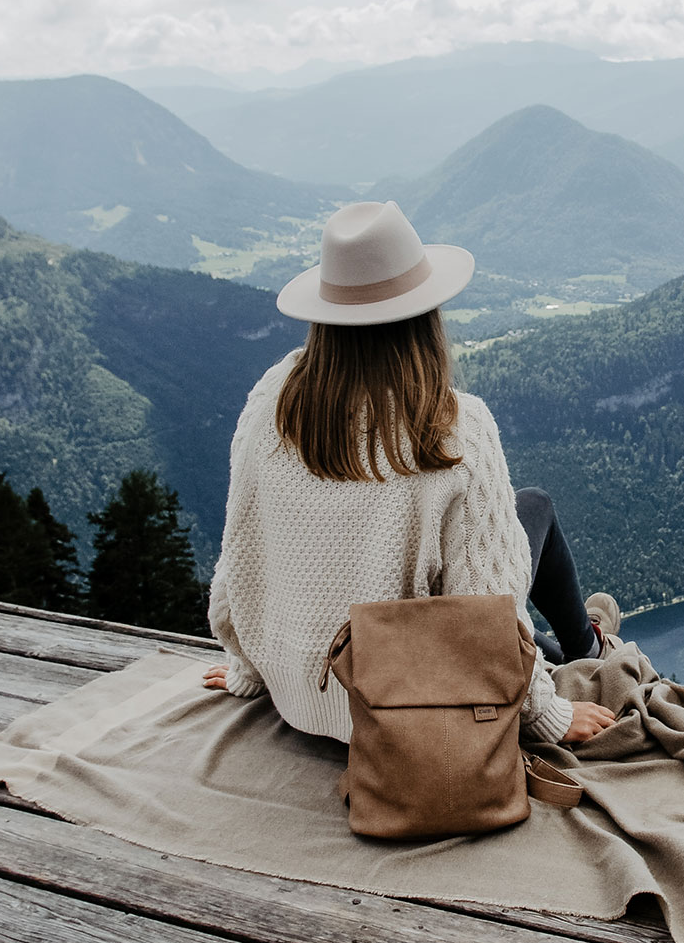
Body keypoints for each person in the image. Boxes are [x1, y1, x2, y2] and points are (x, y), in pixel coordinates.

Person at [203, 200, 621, 750]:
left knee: (514, 528)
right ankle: (587, 650)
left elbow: (243, 552)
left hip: (299, 691)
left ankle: (572, 644)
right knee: (534, 507)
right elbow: (486, 614)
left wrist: (249, 670)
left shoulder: (272, 402)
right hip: (402, 705)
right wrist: (547, 716)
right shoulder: (453, 427)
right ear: (424, 318)